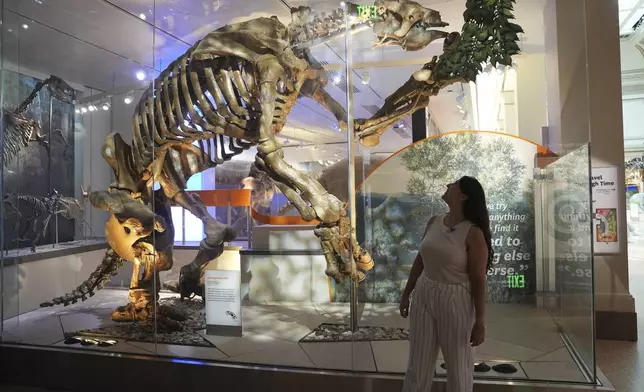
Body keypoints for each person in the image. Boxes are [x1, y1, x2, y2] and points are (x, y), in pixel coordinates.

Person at [400, 176, 493, 392]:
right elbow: (421, 259)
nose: (448, 186)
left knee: (458, 365)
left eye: (453, 184)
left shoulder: (473, 233)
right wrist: (407, 293)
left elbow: (479, 279)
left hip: (456, 298)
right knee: (418, 361)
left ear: (463, 195)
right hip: (424, 293)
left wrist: (480, 320)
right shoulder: (434, 221)